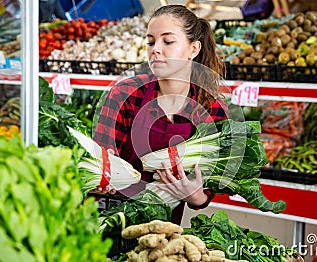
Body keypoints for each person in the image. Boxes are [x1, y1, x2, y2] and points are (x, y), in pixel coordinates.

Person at [93, 4, 228, 225]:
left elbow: (207, 189)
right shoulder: (125, 94)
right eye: (150, 42)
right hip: (111, 218)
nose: (155, 49)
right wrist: (104, 174)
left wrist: (195, 195)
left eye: (167, 41)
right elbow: (100, 154)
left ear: (193, 49)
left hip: (164, 230)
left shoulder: (211, 109)